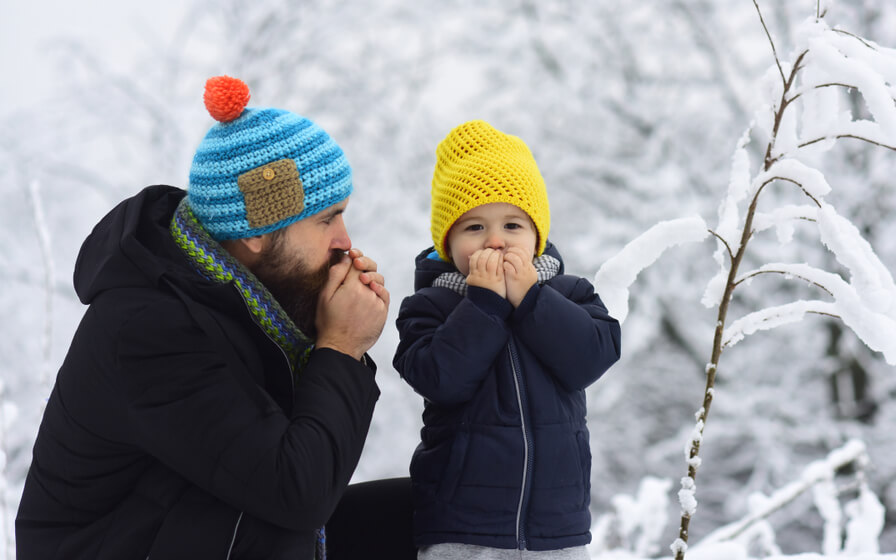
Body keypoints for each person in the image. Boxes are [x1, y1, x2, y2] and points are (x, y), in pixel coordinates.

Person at [15, 76, 416, 560]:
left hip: (198, 526)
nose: (345, 241)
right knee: (282, 524)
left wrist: (324, 330)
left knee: (427, 510)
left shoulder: (242, 300)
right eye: (326, 219)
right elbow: (297, 491)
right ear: (256, 234)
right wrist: (341, 347)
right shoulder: (149, 328)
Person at [393, 120, 622, 559]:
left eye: (513, 225)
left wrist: (533, 299)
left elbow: (592, 357)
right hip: (463, 525)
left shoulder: (570, 294)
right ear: (447, 242)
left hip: (557, 526)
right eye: (474, 228)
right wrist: (483, 305)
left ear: (537, 236)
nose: (496, 241)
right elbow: (440, 379)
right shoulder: (431, 306)